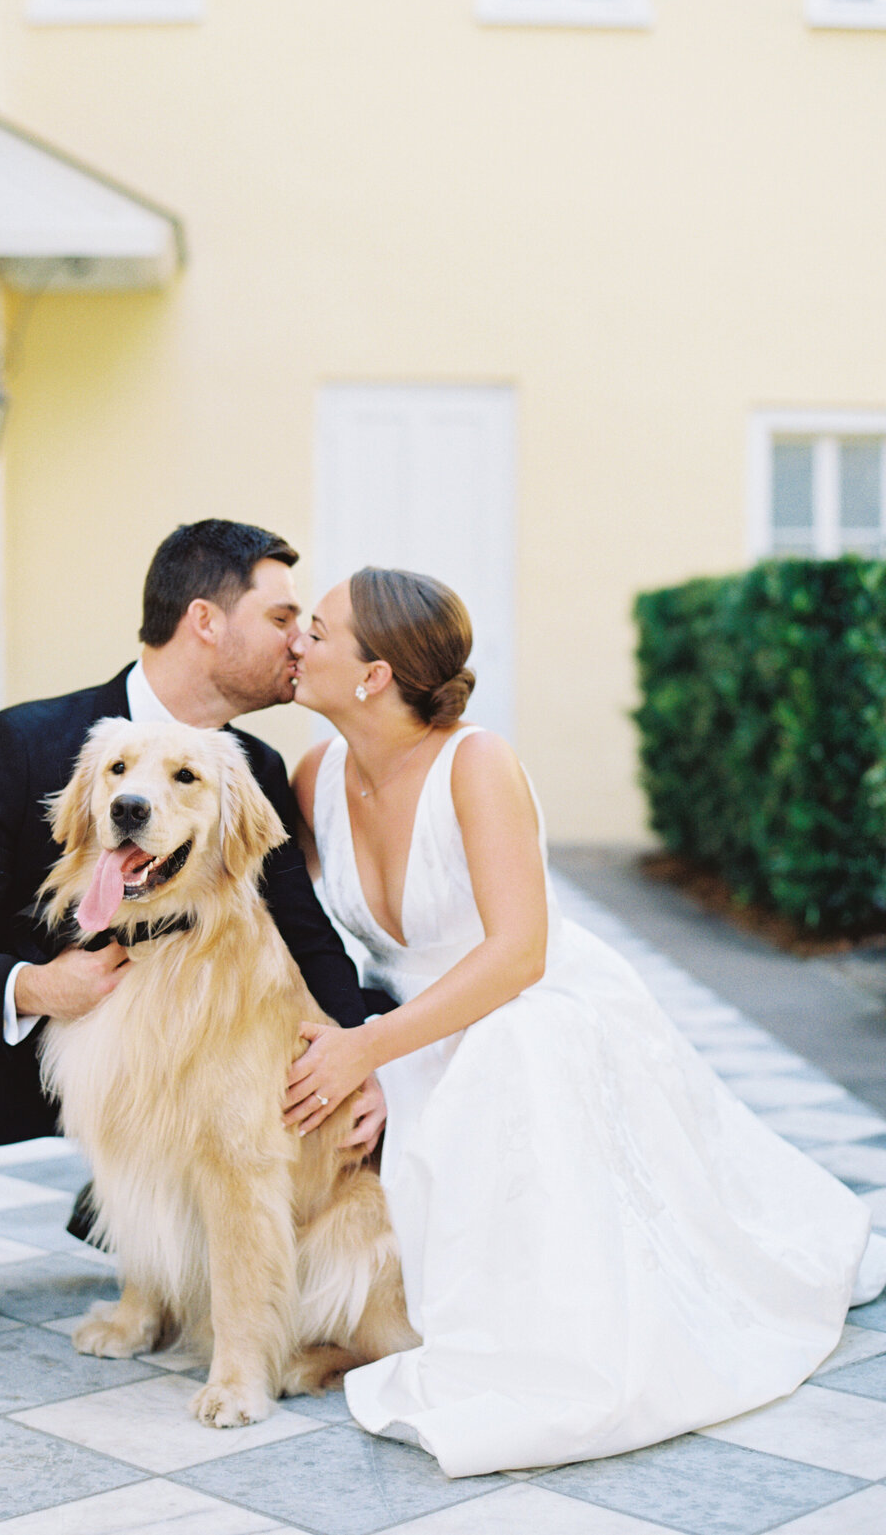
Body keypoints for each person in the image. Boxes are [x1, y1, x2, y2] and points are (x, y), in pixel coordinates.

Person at [283, 565, 886, 1479]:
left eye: (318, 631)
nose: (297, 641)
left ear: (373, 674)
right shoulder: (315, 774)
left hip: (528, 1003)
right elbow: (300, 937)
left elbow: (519, 950)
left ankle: (535, 1338)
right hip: (410, 1019)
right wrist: (357, 1045)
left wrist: (372, 1051)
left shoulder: (476, 764)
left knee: (515, 1054)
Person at [0, 520, 386, 1349]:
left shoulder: (251, 768)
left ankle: (166, 1223)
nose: (299, 641)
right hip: (45, 1048)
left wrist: (362, 1058)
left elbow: (306, 934)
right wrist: (40, 985)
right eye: (282, 617)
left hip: (179, 1055)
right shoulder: (21, 744)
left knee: (372, 1013)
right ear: (208, 621)